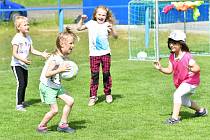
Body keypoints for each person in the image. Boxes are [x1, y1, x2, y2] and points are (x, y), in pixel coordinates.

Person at [154, 30, 208, 124]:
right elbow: (170, 70)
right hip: (183, 82)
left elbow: (197, 68)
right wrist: (160, 68)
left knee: (177, 95)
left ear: (181, 44)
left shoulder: (187, 56)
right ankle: (201, 111)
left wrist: (191, 69)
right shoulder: (172, 56)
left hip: (191, 81)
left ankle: (174, 118)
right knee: (183, 101)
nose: (171, 45)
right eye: (170, 42)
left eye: (174, 43)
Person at [37, 27, 77, 133]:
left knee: (70, 101)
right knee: (54, 110)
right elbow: (47, 74)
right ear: (62, 44)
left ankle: (63, 125)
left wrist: (70, 74)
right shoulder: (55, 59)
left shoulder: (62, 57)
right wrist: (60, 69)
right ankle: (41, 126)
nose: (73, 46)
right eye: (71, 43)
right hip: (48, 87)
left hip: (55, 86)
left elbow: (61, 72)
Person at [77, 5, 118, 106]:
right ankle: (93, 96)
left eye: (103, 15)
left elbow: (116, 36)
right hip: (94, 55)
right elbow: (78, 28)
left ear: (106, 16)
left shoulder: (107, 24)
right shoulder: (91, 23)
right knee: (94, 75)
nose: (101, 16)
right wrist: (82, 20)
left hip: (106, 54)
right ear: (95, 15)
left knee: (106, 74)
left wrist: (112, 29)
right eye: (99, 14)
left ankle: (108, 94)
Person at [11, 16, 49, 111]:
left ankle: (22, 101)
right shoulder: (17, 38)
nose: (27, 26)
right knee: (21, 83)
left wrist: (42, 54)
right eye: (25, 25)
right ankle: (19, 105)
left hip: (24, 64)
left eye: (28, 24)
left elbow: (32, 50)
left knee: (25, 83)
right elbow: (14, 53)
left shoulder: (28, 37)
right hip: (16, 64)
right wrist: (23, 60)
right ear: (18, 27)